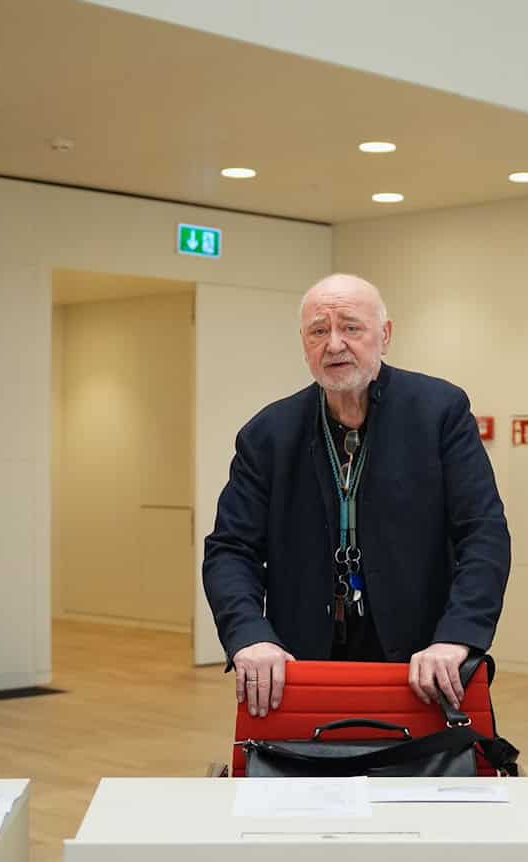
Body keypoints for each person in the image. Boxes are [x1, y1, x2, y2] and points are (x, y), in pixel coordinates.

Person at [204, 273, 510, 716]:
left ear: (383, 336)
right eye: (318, 330)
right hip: (301, 665)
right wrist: (250, 634)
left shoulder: (439, 412)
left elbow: (483, 535)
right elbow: (230, 550)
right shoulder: (268, 434)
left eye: (350, 327)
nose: (334, 344)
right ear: (304, 343)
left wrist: (457, 635)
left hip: (423, 663)